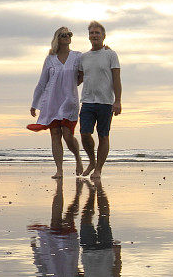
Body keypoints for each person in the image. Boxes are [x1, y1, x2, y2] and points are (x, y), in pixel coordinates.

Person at [29, 27, 84, 178]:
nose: (67, 37)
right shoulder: (50, 59)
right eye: (63, 35)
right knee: (55, 134)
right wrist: (35, 103)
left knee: (67, 135)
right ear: (57, 39)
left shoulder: (78, 56)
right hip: (51, 102)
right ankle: (59, 170)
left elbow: (86, 70)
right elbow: (42, 83)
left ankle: (78, 158)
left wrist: (105, 50)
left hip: (69, 101)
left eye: (69, 34)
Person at [78, 21, 122, 179]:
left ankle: (98, 169)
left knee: (103, 136)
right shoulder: (83, 57)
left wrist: (117, 101)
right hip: (88, 101)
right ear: (88, 36)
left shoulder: (111, 54)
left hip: (106, 102)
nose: (94, 35)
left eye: (97, 33)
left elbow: (116, 79)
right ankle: (92, 161)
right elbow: (78, 80)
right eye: (92, 33)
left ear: (103, 36)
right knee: (84, 133)